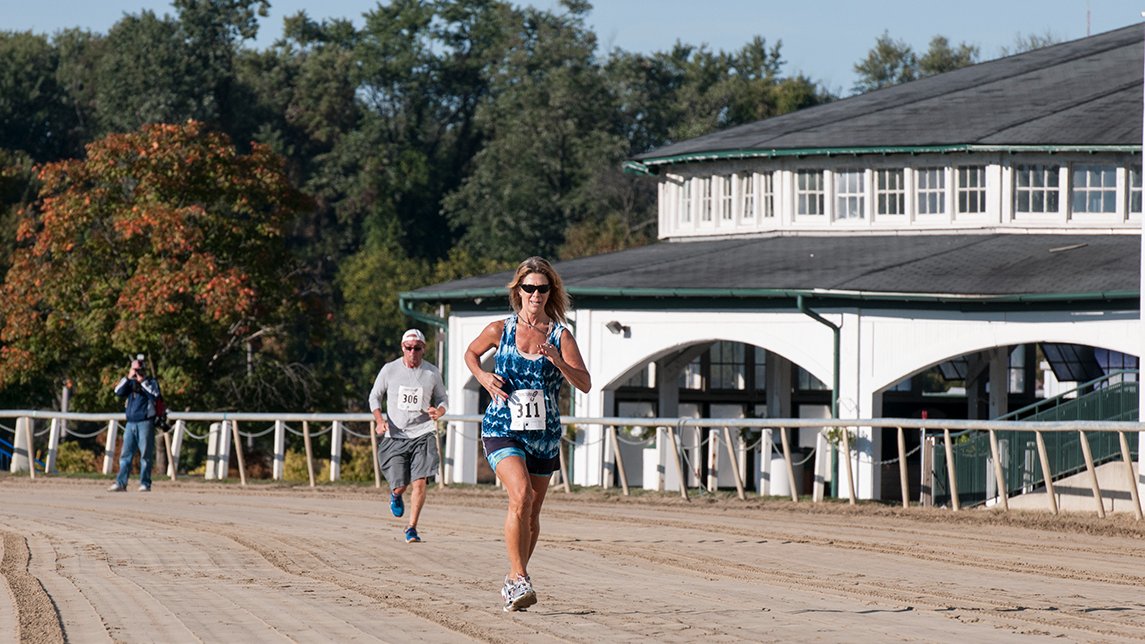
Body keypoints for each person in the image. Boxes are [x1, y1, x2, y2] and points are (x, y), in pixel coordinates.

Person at [464, 256, 591, 612]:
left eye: (543, 288)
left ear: (551, 292)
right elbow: (471, 354)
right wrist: (484, 377)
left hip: (544, 434)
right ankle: (520, 579)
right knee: (520, 496)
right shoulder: (500, 329)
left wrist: (559, 362)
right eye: (529, 288)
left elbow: (585, 384)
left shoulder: (560, 335)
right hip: (503, 427)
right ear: (517, 290)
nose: (536, 294)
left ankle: (513, 579)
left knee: (532, 512)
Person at [369, 328, 448, 544]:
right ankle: (395, 494)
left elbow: (443, 399)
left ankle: (411, 527)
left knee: (420, 483)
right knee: (400, 485)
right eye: (408, 348)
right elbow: (375, 397)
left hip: (423, 433)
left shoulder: (431, 373)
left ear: (424, 349)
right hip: (395, 435)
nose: (412, 352)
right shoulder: (389, 370)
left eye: (417, 348)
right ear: (402, 348)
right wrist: (379, 420)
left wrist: (438, 411)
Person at [109, 357, 163, 492]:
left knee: (145, 455)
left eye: (139, 369)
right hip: (130, 423)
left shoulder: (151, 382)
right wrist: (128, 377)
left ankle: (145, 483)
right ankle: (121, 483)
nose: (137, 372)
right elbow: (117, 391)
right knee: (125, 455)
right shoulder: (129, 383)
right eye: (135, 369)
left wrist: (142, 382)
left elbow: (155, 395)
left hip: (145, 422)